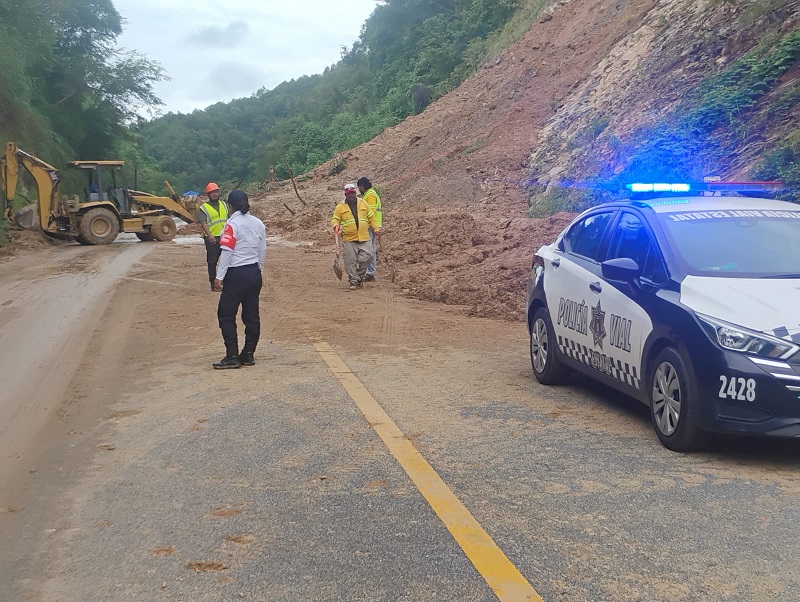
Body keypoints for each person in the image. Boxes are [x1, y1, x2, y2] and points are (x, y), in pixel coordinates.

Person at [212, 190, 267, 369]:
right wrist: (258, 269)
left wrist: (219, 276)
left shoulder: (232, 224)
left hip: (236, 274)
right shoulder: (258, 223)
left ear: (230, 206)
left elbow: (227, 251)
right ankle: (249, 353)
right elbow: (262, 250)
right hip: (253, 272)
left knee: (226, 314)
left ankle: (232, 355)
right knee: (251, 315)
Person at [331, 183, 380, 290]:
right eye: (348, 194)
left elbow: (371, 217)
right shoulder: (340, 207)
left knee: (368, 255)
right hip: (349, 238)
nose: (351, 196)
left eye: (352, 193)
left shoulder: (363, 203)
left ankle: (359, 276)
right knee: (350, 261)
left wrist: (376, 228)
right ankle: (353, 281)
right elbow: (335, 219)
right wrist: (335, 225)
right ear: (345, 194)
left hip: (364, 236)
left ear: (355, 193)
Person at [198, 182, 229, 291]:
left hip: (225, 237)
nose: (214, 194)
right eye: (212, 193)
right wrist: (209, 235)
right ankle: (213, 283)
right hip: (212, 238)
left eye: (216, 192)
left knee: (226, 260)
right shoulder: (204, 207)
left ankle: (225, 282)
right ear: (208, 195)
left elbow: (230, 219)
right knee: (212, 262)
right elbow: (203, 222)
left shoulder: (224, 204)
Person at [357, 177, 382, 281]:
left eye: (359, 187)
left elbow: (371, 213)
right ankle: (369, 271)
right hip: (373, 225)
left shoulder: (370, 195)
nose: (359, 190)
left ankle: (370, 272)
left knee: (369, 249)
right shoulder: (370, 194)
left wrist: (367, 225)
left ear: (363, 186)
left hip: (371, 226)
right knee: (370, 248)